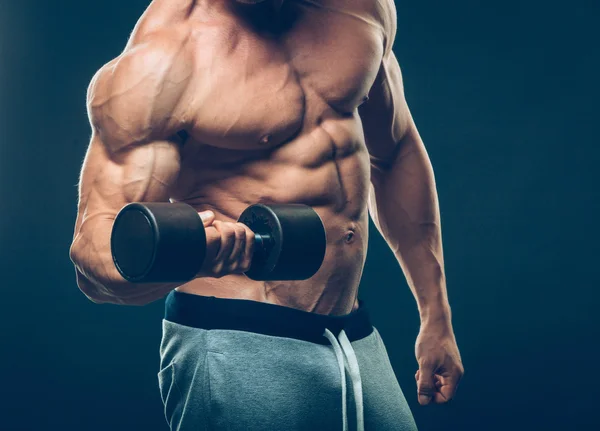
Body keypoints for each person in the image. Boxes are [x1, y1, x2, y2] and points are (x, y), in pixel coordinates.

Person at [69, 0, 464, 429]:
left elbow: (395, 151)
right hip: (235, 341)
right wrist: (195, 257)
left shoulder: (361, 9)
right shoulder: (166, 57)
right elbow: (95, 261)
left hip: (352, 336)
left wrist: (436, 317)